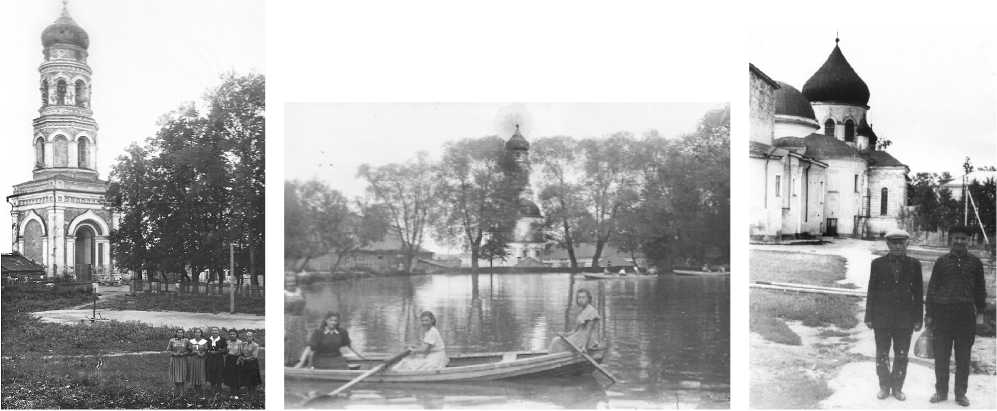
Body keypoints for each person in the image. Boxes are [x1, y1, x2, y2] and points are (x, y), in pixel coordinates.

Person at [926, 225, 987, 407]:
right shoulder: (941, 262)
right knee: (941, 356)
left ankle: (961, 394)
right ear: (950, 240)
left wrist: (981, 312)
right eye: (956, 238)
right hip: (942, 315)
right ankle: (941, 391)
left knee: (963, 357)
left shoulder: (975, 263)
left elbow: (980, 289)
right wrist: (929, 314)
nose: (959, 241)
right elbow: (932, 289)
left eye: (963, 238)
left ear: (968, 241)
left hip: (965, 316)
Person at [864, 229, 922, 401]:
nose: (897, 246)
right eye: (894, 243)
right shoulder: (877, 264)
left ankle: (897, 388)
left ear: (907, 244)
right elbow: (872, 291)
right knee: (882, 353)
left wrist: (918, 318)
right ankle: (884, 386)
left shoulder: (914, 265)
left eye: (901, 243)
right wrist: (869, 316)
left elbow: (918, 293)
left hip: (905, 319)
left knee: (902, 354)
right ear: (888, 244)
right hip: (882, 317)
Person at [295, 312, 364, 369]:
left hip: (337, 358)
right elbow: (309, 348)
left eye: (335, 321)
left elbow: (350, 345)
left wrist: (362, 357)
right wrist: (301, 363)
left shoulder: (342, 332)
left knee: (343, 369)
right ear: (326, 320)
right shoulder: (318, 332)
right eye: (331, 320)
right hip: (321, 359)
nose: (333, 322)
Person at [550, 289, 602, 353]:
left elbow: (588, 331)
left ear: (588, 299)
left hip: (586, 341)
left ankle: (556, 357)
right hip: (577, 338)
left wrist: (584, 347)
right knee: (556, 340)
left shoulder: (591, 311)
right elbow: (574, 331)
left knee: (556, 342)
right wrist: (565, 334)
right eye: (579, 297)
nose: (581, 300)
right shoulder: (581, 311)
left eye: (583, 297)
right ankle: (556, 356)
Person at [238, 331, 262, 397]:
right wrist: (241, 357)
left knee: (253, 380)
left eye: (250, 336)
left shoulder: (255, 345)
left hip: (252, 364)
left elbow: (254, 356)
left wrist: (244, 359)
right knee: (247, 379)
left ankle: (253, 395)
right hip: (246, 364)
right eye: (247, 336)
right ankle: (248, 393)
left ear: (252, 337)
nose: (248, 338)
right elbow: (242, 352)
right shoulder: (244, 344)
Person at [205, 326, 227, 391]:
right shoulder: (208, 339)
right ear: (211, 332)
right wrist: (209, 352)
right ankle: (212, 388)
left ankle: (219, 389)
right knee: (211, 373)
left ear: (218, 332)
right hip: (210, 359)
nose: (214, 332)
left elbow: (225, 350)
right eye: (213, 331)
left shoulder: (222, 339)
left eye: (216, 330)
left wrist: (219, 351)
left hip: (219, 359)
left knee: (219, 373)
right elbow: (205, 349)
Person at [187, 328, 208, 392]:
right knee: (194, 372)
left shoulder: (204, 341)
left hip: (201, 359)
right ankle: (195, 388)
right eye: (196, 332)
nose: (197, 334)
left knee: (200, 372)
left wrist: (201, 354)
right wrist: (193, 352)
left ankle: (200, 388)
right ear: (194, 333)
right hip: (193, 360)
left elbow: (206, 351)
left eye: (199, 332)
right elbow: (189, 352)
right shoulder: (191, 341)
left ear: (201, 333)